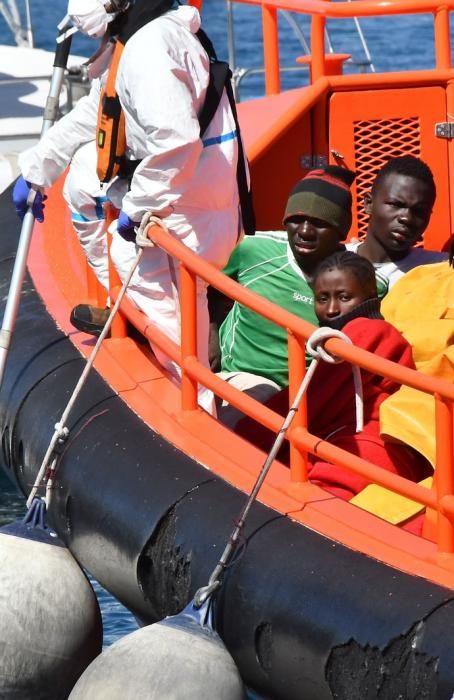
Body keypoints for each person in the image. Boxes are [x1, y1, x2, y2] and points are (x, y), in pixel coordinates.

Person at [13, 0, 246, 413]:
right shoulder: (147, 33)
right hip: (190, 187)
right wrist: (38, 168)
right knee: (83, 181)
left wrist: (139, 206)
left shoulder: (149, 48)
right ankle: (136, 313)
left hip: (190, 202)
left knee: (151, 274)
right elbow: (102, 107)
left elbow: (176, 142)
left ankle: (198, 399)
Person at [236, 250, 431, 500]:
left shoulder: (366, 331)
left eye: (344, 297)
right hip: (362, 447)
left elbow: (316, 396)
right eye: (322, 298)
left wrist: (245, 433)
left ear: (371, 295)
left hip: (368, 448)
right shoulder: (347, 337)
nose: (331, 309)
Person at [209, 165, 357, 423]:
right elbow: (204, 287)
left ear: (340, 231)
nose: (305, 232)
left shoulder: (361, 279)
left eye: (320, 223)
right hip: (245, 383)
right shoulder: (251, 250)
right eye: (297, 219)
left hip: (310, 401)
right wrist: (210, 334)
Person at [346, 155, 447, 298]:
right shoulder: (331, 261)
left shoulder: (440, 269)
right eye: (396, 205)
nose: (407, 218)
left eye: (419, 211)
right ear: (369, 204)